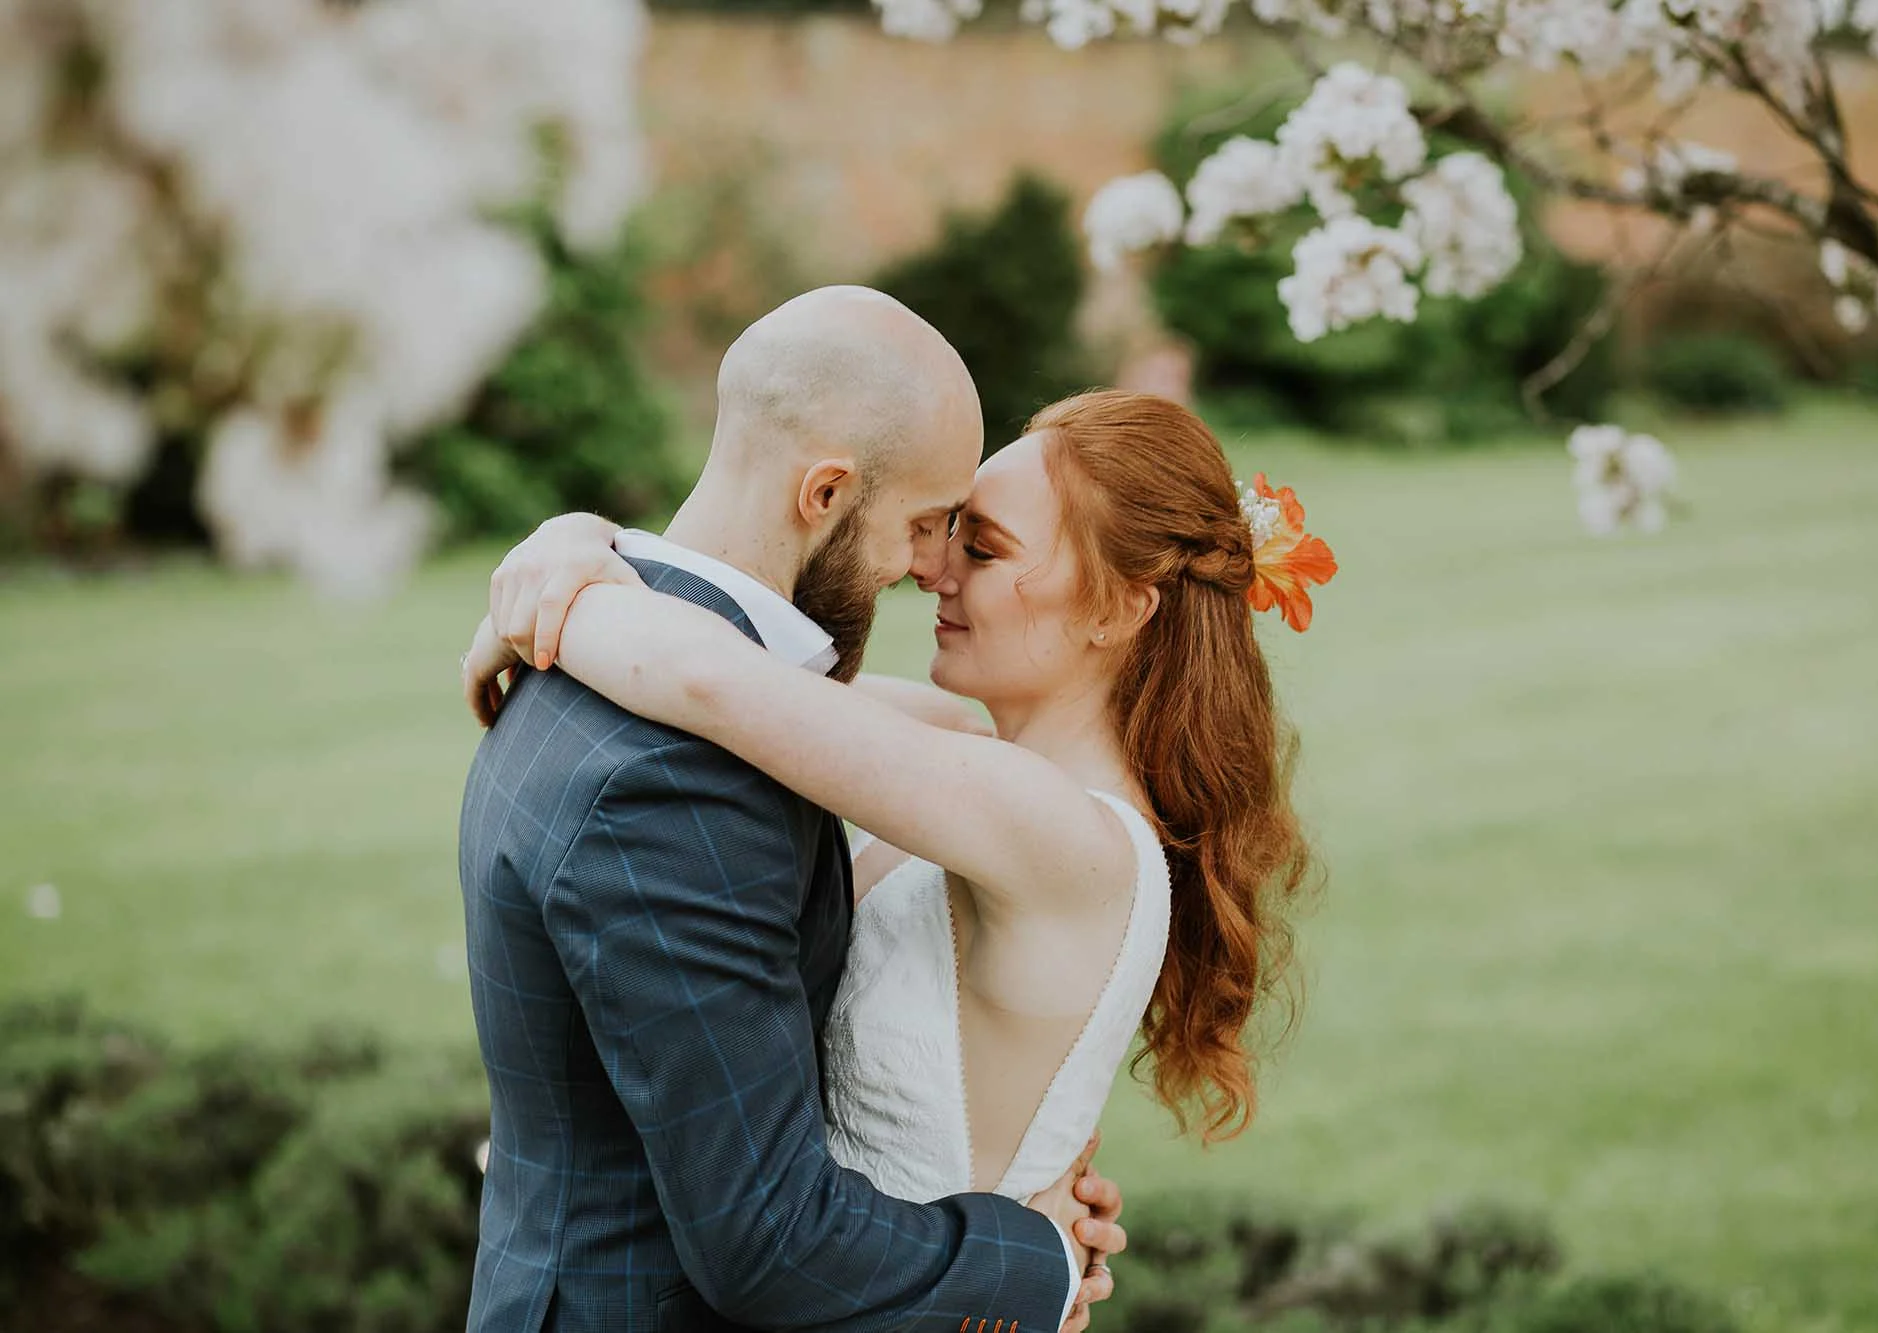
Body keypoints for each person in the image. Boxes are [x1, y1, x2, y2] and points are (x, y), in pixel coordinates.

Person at [465, 370, 1337, 1326]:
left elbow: (707, 681)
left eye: (988, 548)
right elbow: (740, 674)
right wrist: (578, 543)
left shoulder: (1064, 835)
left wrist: (548, 593)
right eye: (951, 528)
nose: (937, 569)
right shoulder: (952, 749)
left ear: (1120, 609)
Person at [455, 287, 1126, 1333]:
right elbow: (766, 1238)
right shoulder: (673, 775)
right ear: (823, 492)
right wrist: (1034, 1261)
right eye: (920, 526)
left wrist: (579, 548)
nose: (926, 569)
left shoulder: (635, 662)